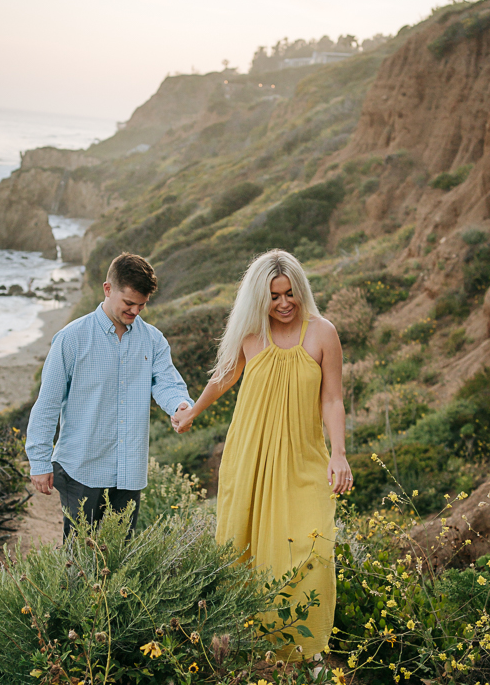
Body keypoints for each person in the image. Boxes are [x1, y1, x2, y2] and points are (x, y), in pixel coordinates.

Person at [172, 249, 353, 657]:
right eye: (274, 296)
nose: (284, 303)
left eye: (290, 293)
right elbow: (223, 377)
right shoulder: (252, 334)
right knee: (243, 549)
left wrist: (338, 454)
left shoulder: (323, 333)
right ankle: (245, 646)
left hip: (304, 458)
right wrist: (193, 411)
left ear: (300, 289)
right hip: (248, 456)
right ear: (261, 298)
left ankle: (305, 654)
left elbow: (332, 400)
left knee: (311, 550)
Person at [26, 252, 193, 539]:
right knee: (79, 558)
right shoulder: (71, 338)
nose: (136, 311)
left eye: (142, 305)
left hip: (129, 470)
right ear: (108, 289)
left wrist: (180, 406)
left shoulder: (153, 339)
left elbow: (167, 383)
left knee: (119, 558)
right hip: (81, 468)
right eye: (129, 303)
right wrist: (39, 461)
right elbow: (48, 403)